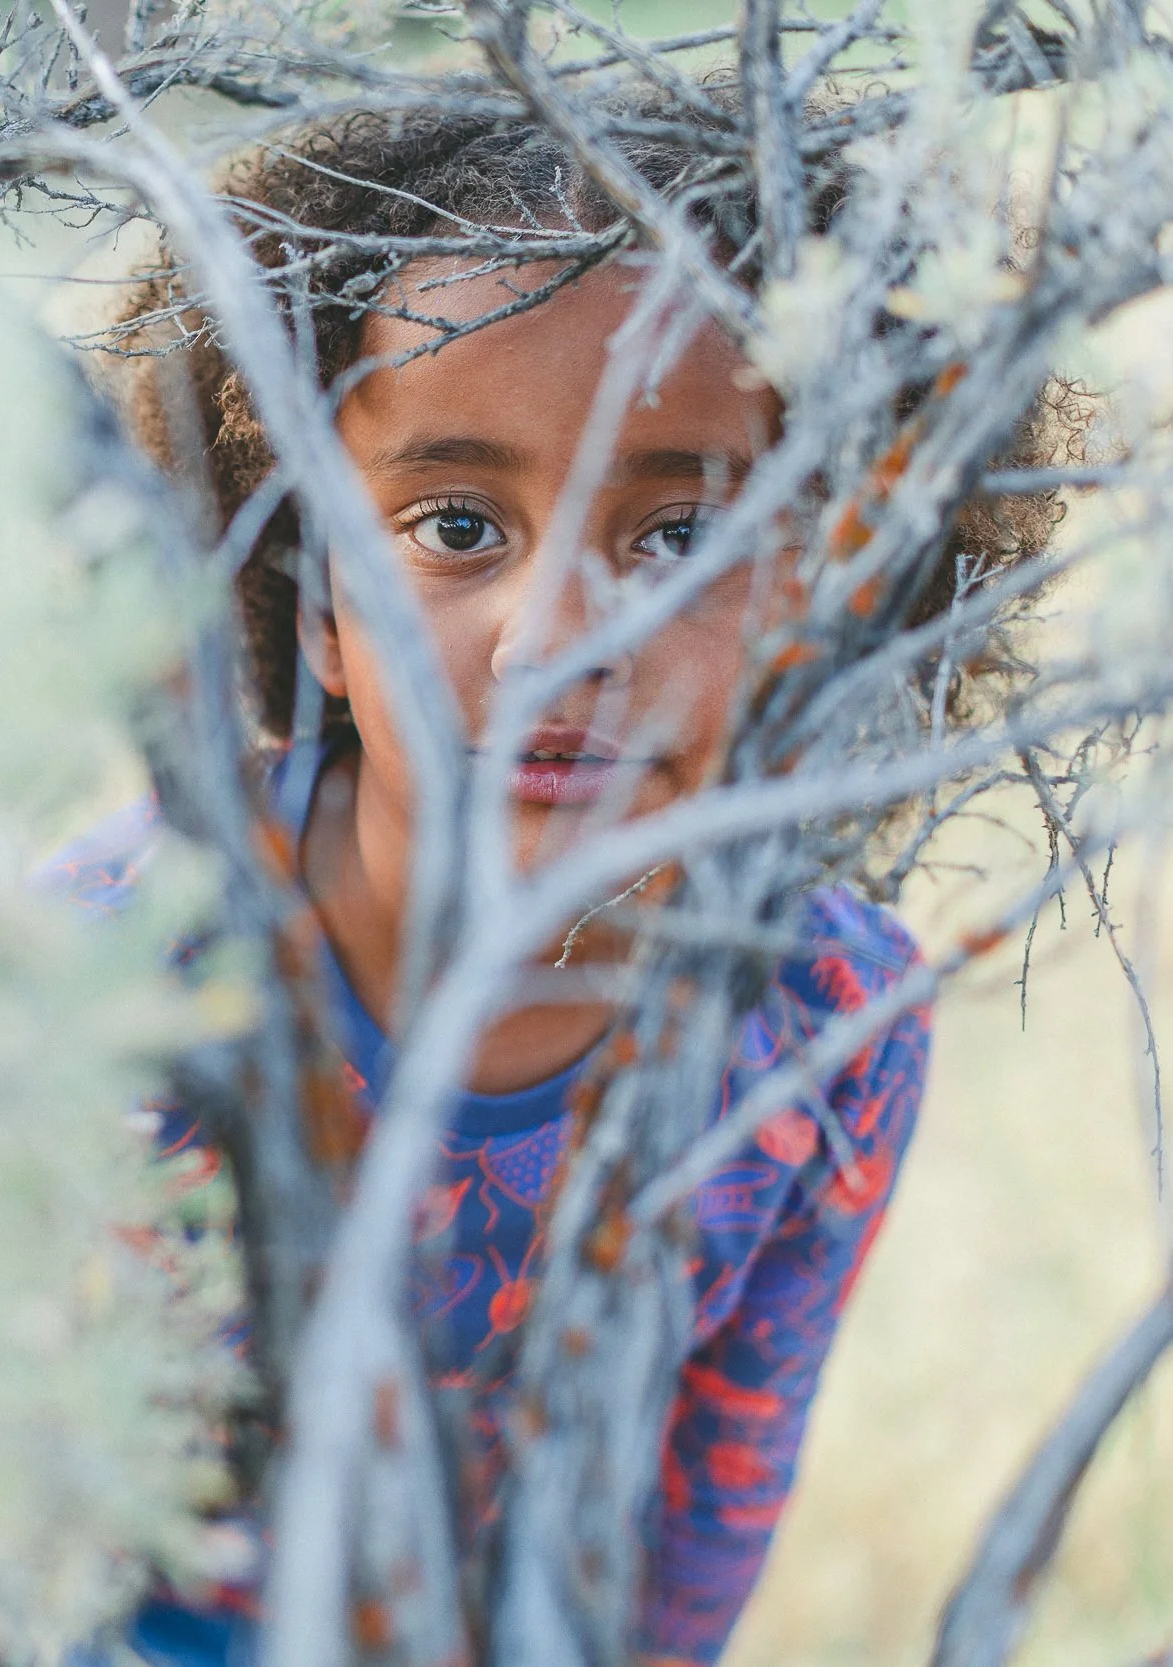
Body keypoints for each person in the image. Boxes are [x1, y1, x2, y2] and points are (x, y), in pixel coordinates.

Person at [57, 96, 1072, 1667]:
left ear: (839, 591)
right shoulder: (103, 975)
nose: (556, 637)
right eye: (457, 527)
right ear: (310, 595)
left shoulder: (830, 1025)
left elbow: (699, 1526)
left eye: (681, 534)